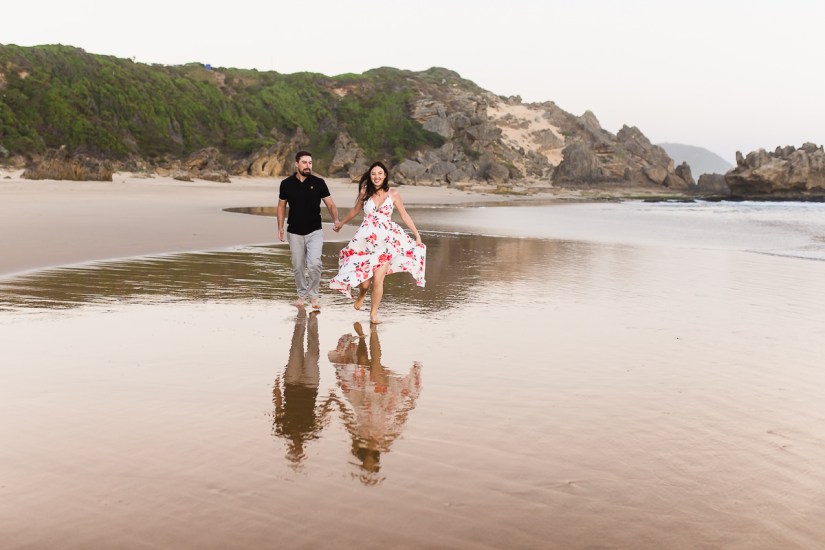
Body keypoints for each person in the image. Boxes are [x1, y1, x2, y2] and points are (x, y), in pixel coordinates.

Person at [330, 161, 425, 324]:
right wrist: (341, 223)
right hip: (365, 241)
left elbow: (404, 215)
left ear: (385, 175)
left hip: (386, 242)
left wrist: (417, 235)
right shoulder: (365, 191)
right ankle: (361, 294)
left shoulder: (393, 193)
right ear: (370, 176)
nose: (377, 177)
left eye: (380, 174)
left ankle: (373, 314)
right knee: (365, 283)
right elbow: (355, 210)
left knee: (378, 280)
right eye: (373, 174)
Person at [277, 151, 339, 309]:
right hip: (294, 232)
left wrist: (336, 220)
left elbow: (330, 204)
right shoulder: (286, 184)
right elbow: (281, 206)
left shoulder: (319, 183)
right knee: (298, 266)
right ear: (296, 164)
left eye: (310, 163)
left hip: (314, 232)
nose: (308, 166)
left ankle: (314, 296)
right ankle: (301, 295)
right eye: (304, 162)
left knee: (314, 264)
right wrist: (280, 228)